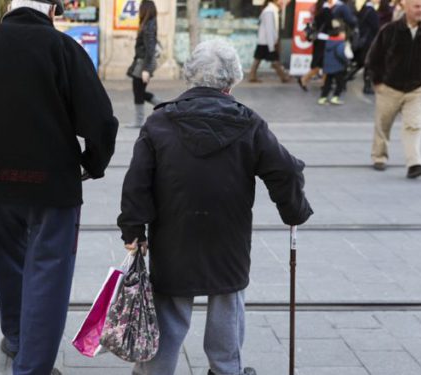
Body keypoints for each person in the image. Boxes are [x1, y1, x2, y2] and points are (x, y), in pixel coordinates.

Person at [0, 0, 119, 374]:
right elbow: (100, 121)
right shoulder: (64, 48)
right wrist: (91, 164)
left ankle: (17, 336)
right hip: (53, 186)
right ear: (51, 10)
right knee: (48, 274)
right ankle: (31, 366)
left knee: (7, 263)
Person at [118, 39, 313, 375]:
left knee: (169, 304)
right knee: (227, 300)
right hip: (228, 234)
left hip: (174, 232)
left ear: (190, 76)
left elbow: (137, 181)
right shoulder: (248, 122)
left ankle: (154, 371)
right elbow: (285, 170)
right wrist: (293, 210)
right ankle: (225, 369)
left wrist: (133, 228)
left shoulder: (159, 122)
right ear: (232, 80)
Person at [366, 0, 421, 178]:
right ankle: (379, 157)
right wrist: (377, 82)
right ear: (406, 7)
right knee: (383, 125)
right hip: (389, 87)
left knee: (414, 126)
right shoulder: (390, 31)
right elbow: (373, 57)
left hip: (417, 89)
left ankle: (414, 163)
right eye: (417, 6)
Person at [126, 0, 161, 128]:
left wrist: (146, 69)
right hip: (141, 62)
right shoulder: (148, 23)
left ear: (145, 9)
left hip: (144, 63)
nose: (138, 10)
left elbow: (150, 48)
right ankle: (162, 106)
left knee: (138, 90)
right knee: (139, 91)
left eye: (140, 8)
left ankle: (139, 121)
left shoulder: (149, 26)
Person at [249, 0, 291, 83]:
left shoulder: (270, 10)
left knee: (258, 59)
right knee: (274, 60)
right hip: (267, 41)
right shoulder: (270, 11)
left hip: (264, 40)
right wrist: (272, 44)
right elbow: (270, 29)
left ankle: (252, 76)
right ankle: (283, 77)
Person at [298, 0, 332, 90]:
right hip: (323, 40)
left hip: (318, 39)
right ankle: (304, 78)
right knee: (320, 64)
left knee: (324, 64)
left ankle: (324, 84)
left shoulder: (318, 8)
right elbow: (330, 25)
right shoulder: (326, 10)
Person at [349, 0, 379, 94]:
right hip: (368, 41)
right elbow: (376, 27)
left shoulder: (363, 9)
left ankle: (345, 78)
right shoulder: (372, 11)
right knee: (368, 64)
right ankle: (367, 86)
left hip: (362, 40)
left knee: (360, 63)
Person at [319, 22, 350, 105]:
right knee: (340, 84)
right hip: (338, 67)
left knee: (327, 83)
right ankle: (335, 98)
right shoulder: (340, 43)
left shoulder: (329, 42)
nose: (344, 35)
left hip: (328, 66)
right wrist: (346, 60)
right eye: (343, 33)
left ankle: (322, 98)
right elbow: (341, 54)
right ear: (339, 34)